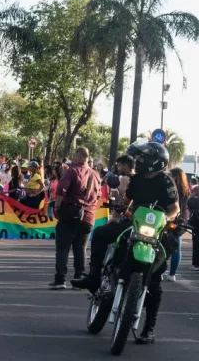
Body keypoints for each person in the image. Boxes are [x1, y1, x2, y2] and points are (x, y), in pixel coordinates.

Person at [72, 141, 180, 345]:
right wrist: (117, 211)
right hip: (133, 222)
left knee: (156, 282)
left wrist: (168, 217)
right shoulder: (136, 179)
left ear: (154, 162)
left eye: (141, 159)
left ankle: (149, 329)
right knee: (101, 233)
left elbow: (175, 208)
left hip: (157, 228)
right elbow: (127, 202)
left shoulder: (166, 181)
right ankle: (94, 276)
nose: (137, 162)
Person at [50, 147, 101, 290]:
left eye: (74, 157)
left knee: (63, 247)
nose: (72, 159)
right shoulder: (95, 174)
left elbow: (61, 190)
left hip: (70, 214)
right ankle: (79, 278)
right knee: (81, 248)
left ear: (79, 158)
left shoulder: (72, 171)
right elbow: (98, 196)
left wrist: (57, 207)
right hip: (88, 216)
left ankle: (60, 279)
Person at [166, 167, 190, 281]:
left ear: (175, 176)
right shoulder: (186, 189)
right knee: (177, 248)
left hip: (170, 218)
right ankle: (172, 274)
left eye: (171, 175)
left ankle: (160, 271)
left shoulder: (171, 189)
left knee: (163, 245)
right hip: (182, 219)